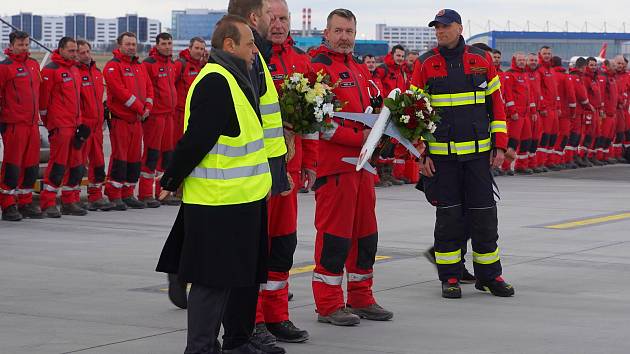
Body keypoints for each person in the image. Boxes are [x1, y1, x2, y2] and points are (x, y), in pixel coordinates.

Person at [157, 15, 274, 354]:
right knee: (211, 284)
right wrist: (171, 177)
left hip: (239, 199)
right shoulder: (216, 81)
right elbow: (197, 139)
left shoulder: (236, 78)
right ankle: (200, 349)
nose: (255, 50)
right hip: (218, 201)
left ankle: (227, 342)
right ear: (229, 45)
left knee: (230, 280)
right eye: (250, 43)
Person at [411, 9, 515, 299]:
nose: (440, 31)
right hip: (442, 159)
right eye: (437, 28)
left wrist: (500, 144)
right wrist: (421, 151)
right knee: (449, 220)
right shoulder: (425, 64)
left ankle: (489, 276)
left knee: (484, 219)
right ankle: (450, 277)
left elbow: (496, 105)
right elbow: (413, 112)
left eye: (445, 26)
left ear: (459, 27)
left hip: (479, 158)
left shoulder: (480, 61)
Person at [310, 8, 394, 326]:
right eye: (339, 31)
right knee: (334, 237)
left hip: (362, 169)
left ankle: (361, 297)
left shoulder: (358, 68)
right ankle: (329, 304)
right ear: (326, 33)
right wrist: (362, 138)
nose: (344, 37)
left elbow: (373, 109)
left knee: (365, 235)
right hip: (335, 168)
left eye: (350, 32)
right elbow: (321, 125)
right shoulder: (318, 69)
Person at [253, 0, 313, 344]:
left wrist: (310, 162)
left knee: (283, 244)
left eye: (284, 18)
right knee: (256, 245)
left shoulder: (301, 62)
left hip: (289, 171)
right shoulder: (250, 59)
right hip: (257, 171)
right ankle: (254, 318)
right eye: (272, 17)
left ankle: (277, 316)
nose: (278, 24)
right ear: (258, 19)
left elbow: (312, 121)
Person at [103, 32, 154, 210]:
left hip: (137, 121)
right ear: (119, 45)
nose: (132, 47)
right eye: (128, 44)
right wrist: (141, 109)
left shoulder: (139, 67)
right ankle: (114, 194)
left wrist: (148, 107)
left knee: (134, 159)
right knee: (120, 158)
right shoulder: (112, 67)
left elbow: (149, 88)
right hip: (121, 120)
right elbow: (121, 92)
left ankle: (128, 193)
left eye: (134, 44)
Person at [39, 37, 87, 217]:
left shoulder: (74, 69)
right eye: (71, 51)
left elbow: (77, 100)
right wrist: (50, 123)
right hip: (60, 125)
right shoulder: (51, 70)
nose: (75, 54)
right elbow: (43, 102)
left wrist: (80, 122)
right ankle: (48, 201)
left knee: (76, 165)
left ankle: (69, 201)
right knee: (58, 165)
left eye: (76, 51)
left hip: (75, 124)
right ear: (60, 50)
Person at [0, 30, 43, 221]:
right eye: (20, 45)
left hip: (32, 124)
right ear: (11, 45)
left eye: (26, 44)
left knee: (31, 165)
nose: (24, 48)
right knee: (12, 166)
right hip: (14, 124)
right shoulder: (5, 67)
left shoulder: (33, 65)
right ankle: (8, 204)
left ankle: (25, 201)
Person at [75, 40, 115, 211]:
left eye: (87, 51)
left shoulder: (96, 72)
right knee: (78, 164)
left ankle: (96, 196)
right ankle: (73, 198)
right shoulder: (75, 72)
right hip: (83, 126)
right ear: (75, 54)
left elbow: (99, 98)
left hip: (97, 126)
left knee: (98, 163)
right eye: (81, 52)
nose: (86, 55)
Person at [139, 33, 178, 208]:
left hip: (169, 115)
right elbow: (144, 88)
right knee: (151, 155)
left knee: (167, 156)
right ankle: (146, 193)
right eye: (164, 43)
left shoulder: (171, 64)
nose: (167, 46)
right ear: (157, 45)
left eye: (169, 43)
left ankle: (161, 192)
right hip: (155, 117)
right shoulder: (149, 64)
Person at [502, 52, 535, 175]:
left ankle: (521, 166)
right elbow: (508, 94)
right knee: (512, 140)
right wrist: (512, 111)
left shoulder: (525, 75)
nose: (522, 62)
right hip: (516, 114)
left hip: (525, 114)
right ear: (514, 61)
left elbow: (529, 94)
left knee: (526, 139)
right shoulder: (510, 75)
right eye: (519, 60)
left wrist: (532, 110)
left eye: (523, 60)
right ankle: (505, 166)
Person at [174, 37, 206, 144]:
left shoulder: (202, 67)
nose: (199, 51)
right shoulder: (181, 64)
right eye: (196, 48)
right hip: (180, 115)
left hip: (196, 113)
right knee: (178, 144)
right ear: (189, 48)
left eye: (202, 49)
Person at [565, 57, 595, 168]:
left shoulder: (574, 76)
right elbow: (581, 95)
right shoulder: (576, 78)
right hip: (576, 111)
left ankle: (572, 157)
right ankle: (569, 159)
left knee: (575, 136)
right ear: (583, 67)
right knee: (574, 135)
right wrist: (589, 106)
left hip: (577, 111)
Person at [550, 56, 577, 168]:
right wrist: (573, 110)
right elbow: (571, 95)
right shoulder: (565, 77)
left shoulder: (549, 74)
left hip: (551, 110)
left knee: (550, 136)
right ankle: (557, 160)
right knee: (563, 136)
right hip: (564, 112)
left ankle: (549, 160)